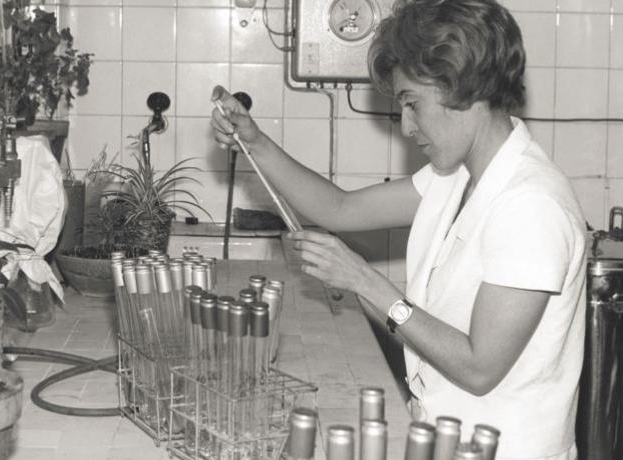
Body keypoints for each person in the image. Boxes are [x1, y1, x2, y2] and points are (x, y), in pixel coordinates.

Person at [210, 0, 586, 458]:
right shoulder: (461, 176)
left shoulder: (531, 204)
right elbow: (340, 209)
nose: (406, 126)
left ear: (463, 87)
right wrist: (255, 141)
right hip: (443, 437)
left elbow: (479, 367)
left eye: (412, 103)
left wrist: (364, 281)